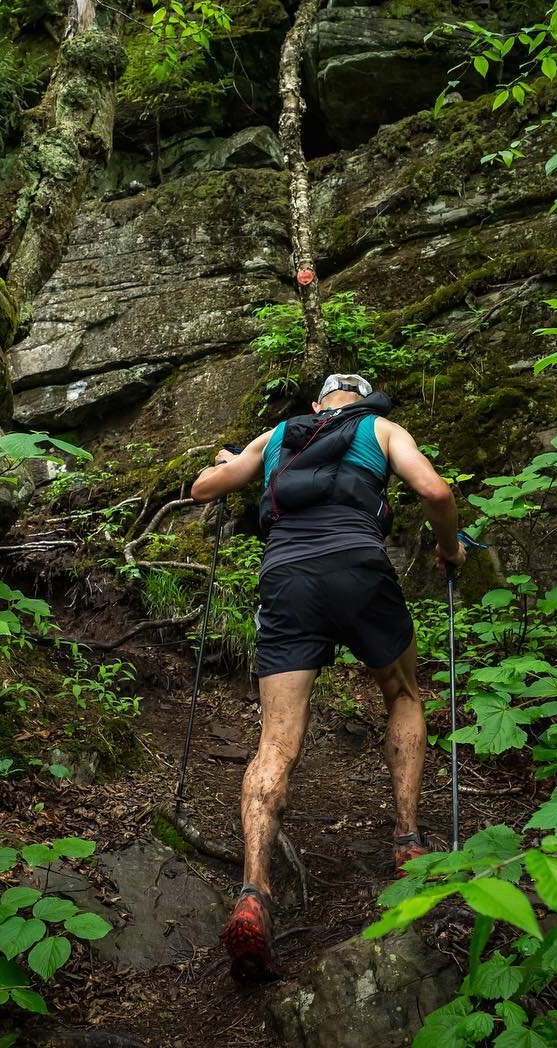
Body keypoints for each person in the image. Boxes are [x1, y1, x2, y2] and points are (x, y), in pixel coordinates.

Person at [189, 372, 466, 981]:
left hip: (287, 579)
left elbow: (203, 488)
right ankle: (408, 841)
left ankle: (253, 892)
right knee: (403, 692)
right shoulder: (382, 428)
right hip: (359, 570)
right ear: (363, 402)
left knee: (276, 741)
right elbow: (436, 495)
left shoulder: (278, 435)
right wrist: (450, 551)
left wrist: (233, 462)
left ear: (318, 405)